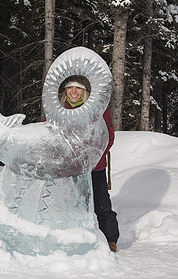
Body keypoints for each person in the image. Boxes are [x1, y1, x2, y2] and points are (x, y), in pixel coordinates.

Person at [59, 75, 120, 252]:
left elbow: (108, 135)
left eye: (78, 88)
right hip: (71, 168)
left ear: (85, 90)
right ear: (65, 90)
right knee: (73, 205)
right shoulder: (59, 109)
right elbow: (53, 134)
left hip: (95, 166)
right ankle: (74, 239)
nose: (73, 91)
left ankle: (110, 239)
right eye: (70, 87)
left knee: (102, 204)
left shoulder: (97, 109)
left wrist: (95, 156)